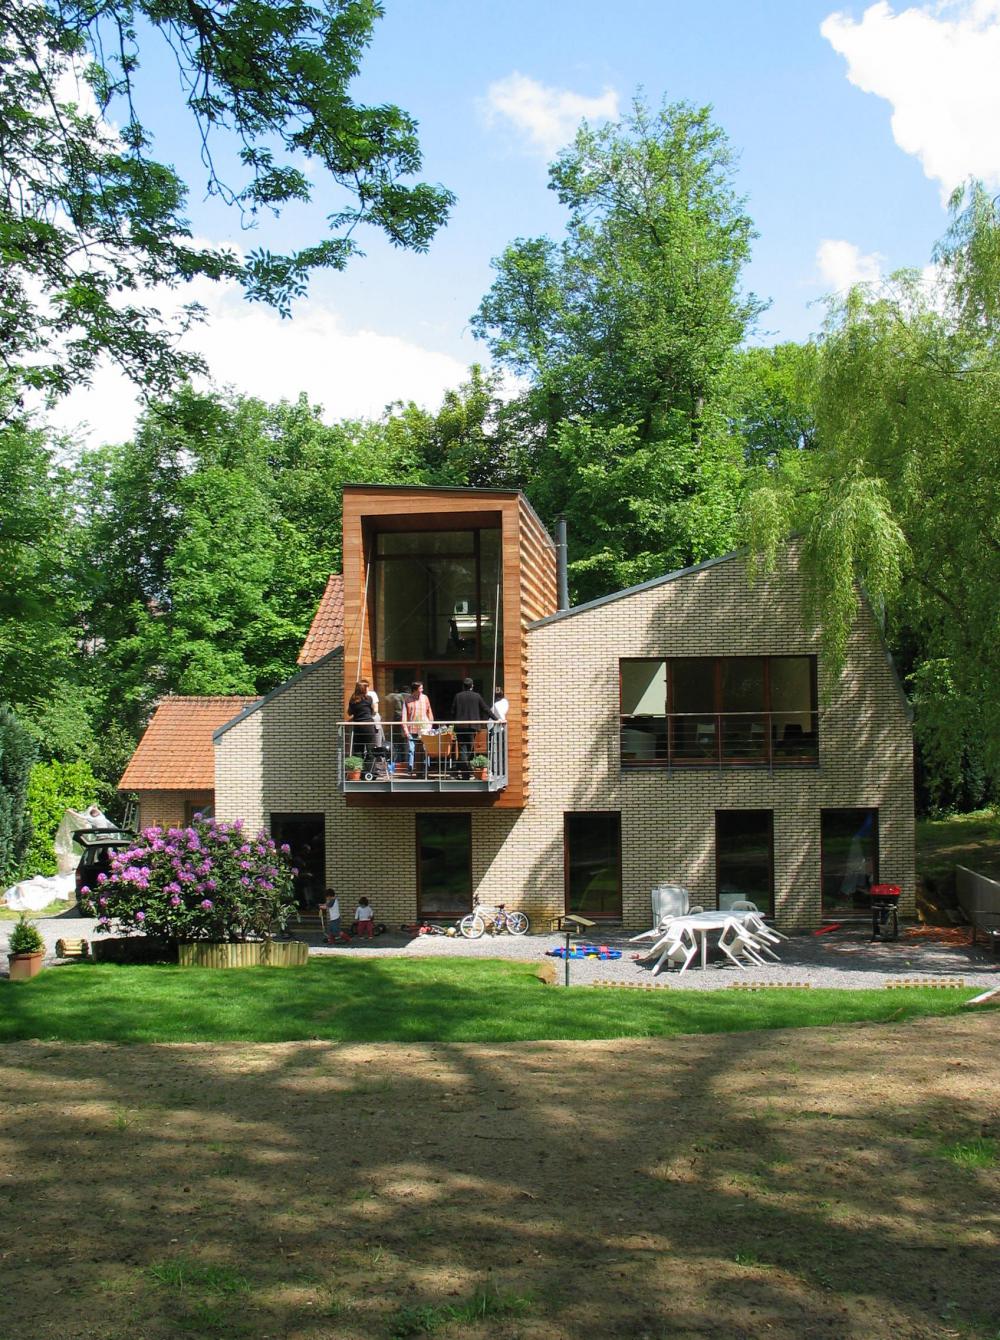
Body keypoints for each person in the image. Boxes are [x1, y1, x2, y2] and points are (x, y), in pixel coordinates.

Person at [451, 677, 496, 776]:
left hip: (460, 727)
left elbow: (452, 711)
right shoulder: (477, 696)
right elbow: (485, 708)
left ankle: (464, 771)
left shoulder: (458, 696)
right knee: (469, 748)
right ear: (472, 686)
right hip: (472, 727)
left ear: (463, 686)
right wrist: (496, 718)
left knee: (463, 748)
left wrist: (453, 722)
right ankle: (466, 772)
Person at [401, 680, 433, 774]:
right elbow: (404, 716)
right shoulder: (408, 700)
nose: (422, 690)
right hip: (412, 729)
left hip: (424, 729)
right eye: (420, 688)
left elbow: (429, 711)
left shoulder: (425, 698)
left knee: (425, 748)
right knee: (412, 749)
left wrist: (430, 724)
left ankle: (426, 767)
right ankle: (411, 768)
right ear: (415, 690)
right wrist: (406, 730)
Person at [347, 680, 377, 760]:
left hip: (357, 727)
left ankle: (358, 770)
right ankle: (370, 770)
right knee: (371, 749)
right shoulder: (369, 699)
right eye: (367, 687)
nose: (368, 689)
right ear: (363, 689)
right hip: (368, 726)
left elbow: (349, 713)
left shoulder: (353, 700)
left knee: (358, 749)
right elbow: (372, 711)